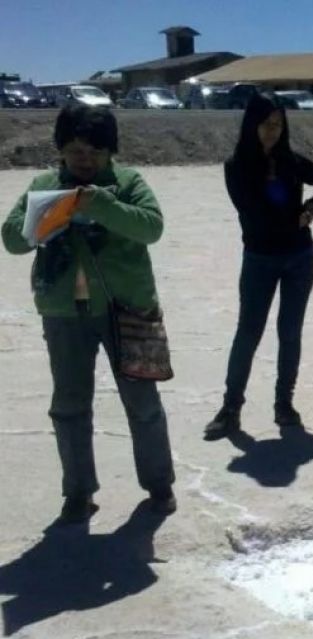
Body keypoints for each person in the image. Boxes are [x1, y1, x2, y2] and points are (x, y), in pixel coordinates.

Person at [1, 105, 176, 522]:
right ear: (61, 149)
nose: (85, 159)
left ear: (110, 152)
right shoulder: (44, 185)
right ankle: (78, 492)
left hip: (127, 310)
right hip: (64, 314)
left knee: (142, 401)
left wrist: (102, 206)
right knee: (69, 405)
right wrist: (46, 217)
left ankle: (159, 485)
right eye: (76, 150)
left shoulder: (127, 183)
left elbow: (151, 227)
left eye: (95, 152)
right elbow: (11, 239)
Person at [203, 94, 313, 440]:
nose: (271, 131)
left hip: (299, 259)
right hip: (260, 260)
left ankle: (284, 403)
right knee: (248, 332)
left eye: (278, 124)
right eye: (265, 124)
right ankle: (230, 407)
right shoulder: (236, 167)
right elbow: (254, 212)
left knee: (289, 332)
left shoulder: (291, 162)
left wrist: (310, 207)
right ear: (251, 125)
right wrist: (293, 217)